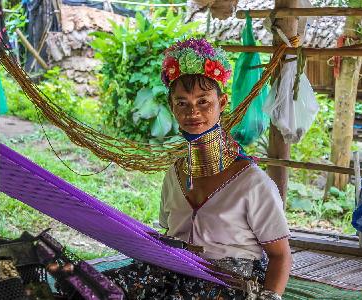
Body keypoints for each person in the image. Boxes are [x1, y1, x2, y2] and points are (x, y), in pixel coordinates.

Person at [105, 38, 291, 300]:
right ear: (172, 108)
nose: (193, 112)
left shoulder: (252, 182)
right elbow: (168, 233)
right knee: (100, 285)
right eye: (182, 103)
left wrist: (270, 297)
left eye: (203, 101)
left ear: (222, 103)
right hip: (174, 271)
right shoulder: (175, 174)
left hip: (227, 282)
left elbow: (280, 255)